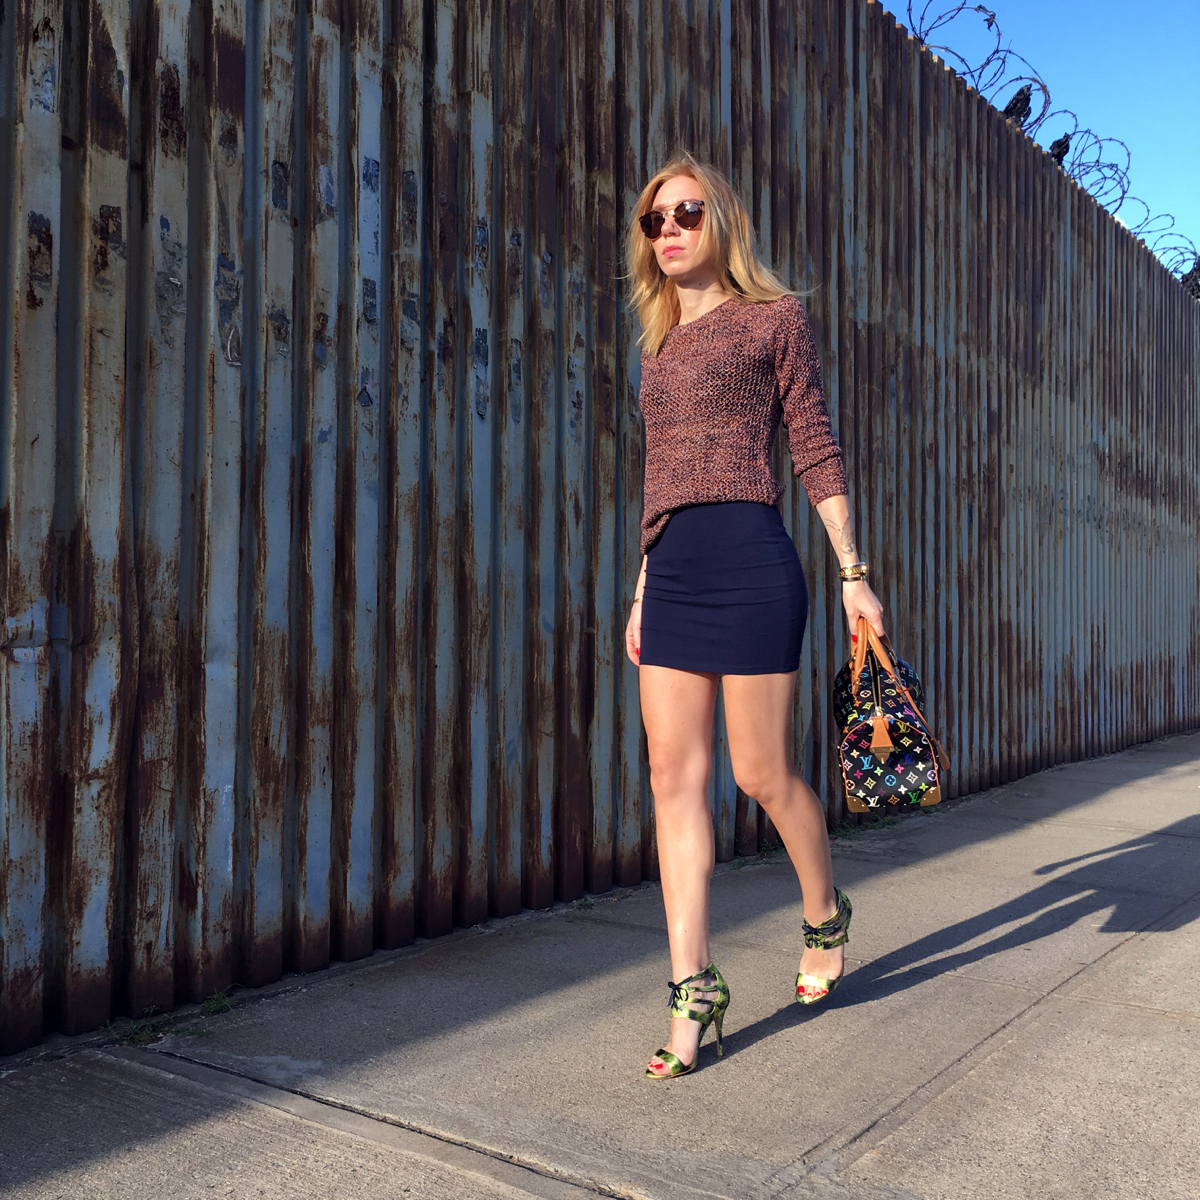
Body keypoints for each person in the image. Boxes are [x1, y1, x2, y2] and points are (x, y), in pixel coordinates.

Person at [625, 152, 886, 1079]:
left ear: (720, 221)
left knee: (763, 773)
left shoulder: (775, 319)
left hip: (753, 560)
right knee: (671, 780)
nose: (670, 231)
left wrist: (853, 571)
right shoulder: (655, 346)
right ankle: (693, 989)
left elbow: (813, 443)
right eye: (656, 220)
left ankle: (824, 909)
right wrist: (645, 586)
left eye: (686, 213)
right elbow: (661, 475)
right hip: (677, 570)